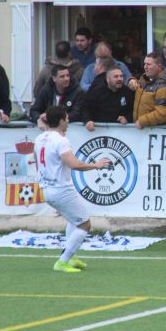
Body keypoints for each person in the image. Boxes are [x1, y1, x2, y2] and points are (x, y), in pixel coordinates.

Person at [34, 105, 111, 273]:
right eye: (66, 118)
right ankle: (63, 261)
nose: (68, 121)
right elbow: (74, 164)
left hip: (46, 189)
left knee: (73, 219)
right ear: (61, 121)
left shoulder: (40, 138)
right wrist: (96, 165)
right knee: (84, 224)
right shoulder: (60, 141)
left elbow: (37, 161)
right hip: (61, 189)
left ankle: (72, 256)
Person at [82, 67, 134, 131]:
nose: (119, 79)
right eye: (116, 76)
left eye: (121, 76)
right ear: (108, 79)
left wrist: (127, 118)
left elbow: (133, 109)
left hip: (121, 131)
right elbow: (86, 108)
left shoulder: (127, 91)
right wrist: (88, 121)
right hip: (99, 131)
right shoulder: (97, 91)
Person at [128, 52, 166, 129]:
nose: (145, 67)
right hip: (140, 132)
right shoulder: (144, 79)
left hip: (154, 133)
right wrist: (131, 80)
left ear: (159, 66)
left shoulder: (163, 86)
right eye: (144, 64)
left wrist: (142, 121)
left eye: (148, 64)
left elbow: (162, 114)